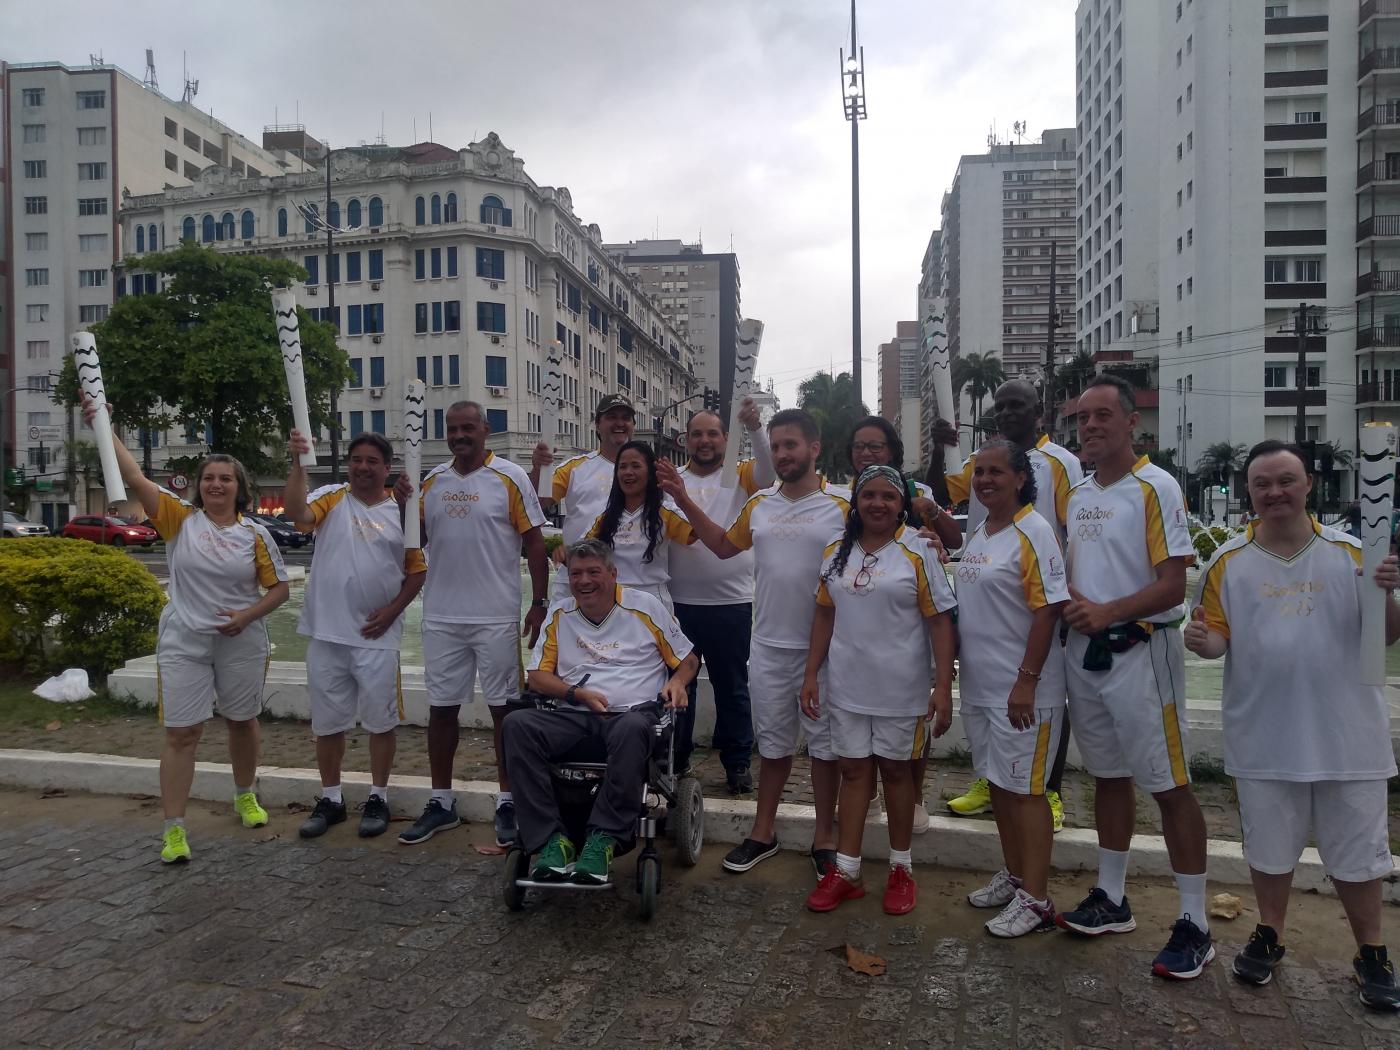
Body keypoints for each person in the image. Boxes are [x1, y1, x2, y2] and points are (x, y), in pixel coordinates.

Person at [1186, 440, 1400, 1009]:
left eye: (1286, 480)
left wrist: (1388, 593)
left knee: (1359, 855)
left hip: (1348, 735)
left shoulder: (1356, 553)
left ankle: (1372, 952)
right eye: (1262, 483)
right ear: (1248, 493)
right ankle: (1270, 933)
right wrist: (1204, 642)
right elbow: (1216, 641)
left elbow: (1385, 638)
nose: (1275, 492)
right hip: (1264, 734)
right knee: (1269, 850)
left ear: (1308, 485)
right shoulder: (1227, 561)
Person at [81, 395, 289, 864]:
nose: (216, 484)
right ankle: (174, 829)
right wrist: (102, 420)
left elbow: (279, 591)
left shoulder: (256, 535)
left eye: (226, 478)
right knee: (181, 733)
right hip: (185, 641)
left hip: (240, 642)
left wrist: (245, 617)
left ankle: (244, 794)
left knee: (242, 721)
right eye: (209, 478)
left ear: (240, 488)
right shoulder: (179, 520)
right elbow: (133, 475)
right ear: (199, 487)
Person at [1053, 374, 1212, 981]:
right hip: (1085, 656)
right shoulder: (1082, 493)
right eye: (1082, 419)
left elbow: (1174, 583)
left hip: (1143, 653)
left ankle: (1194, 922)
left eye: (1101, 416)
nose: (1089, 426)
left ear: (1129, 423)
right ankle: (1111, 897)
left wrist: (1109, 611)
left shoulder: (1156, 486)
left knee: (1170, 786)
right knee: (1108, 777)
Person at [659, 408, 850, 876]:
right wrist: (682, 498)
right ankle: (762, 832)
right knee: (774, 746)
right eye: (778, 446)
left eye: (792, 446)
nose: (783, 454)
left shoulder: (842, 506)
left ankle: (825, 838)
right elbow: (723, 546)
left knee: (824, 750)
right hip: (767, 645)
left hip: (825, 650)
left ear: (814, 449)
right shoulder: (760, 504)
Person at [800, 465, 957, 916]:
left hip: (901, 689)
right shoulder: (835, 550)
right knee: (852, 771)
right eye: (868, 495)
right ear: (856, 501)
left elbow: (939, 621)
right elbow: (824, 615)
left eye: (889, 496)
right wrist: (811, 674)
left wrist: (942, 686)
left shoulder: (917, 550)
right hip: (846, 685)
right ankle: (847, 872)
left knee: (895, 773)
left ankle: (901, 868)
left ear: (902, 503)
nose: (878, 504)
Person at [933, 379, 1083, 832]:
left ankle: (1049, 791)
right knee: (1003, 752)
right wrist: (943, 448)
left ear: (1040, 411)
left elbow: (1073, 532)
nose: (1007, 413)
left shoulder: (1061, 462)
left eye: (1017, 405)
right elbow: (946, 495)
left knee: (1043, 707)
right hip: (991, 595)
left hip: (1039, 597)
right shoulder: (985, 459)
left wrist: (1065, 600)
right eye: (1001, 406)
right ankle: (992, 783)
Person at [505, 539, 699, 884]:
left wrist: (679, 682)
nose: (584, 581)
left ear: (613, 573)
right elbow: (536, 677)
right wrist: (576, 693)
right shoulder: (561, 613)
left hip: (631, 715)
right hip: (574, 714)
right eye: (576, 573)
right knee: (517, 724)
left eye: (594, 572)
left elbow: (688, 660)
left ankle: (603, 839)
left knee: (631, 729)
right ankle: (552, 840)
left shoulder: (645, 607)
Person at [401, 401, 549, 848]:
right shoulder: (432, 480)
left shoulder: (510, 476)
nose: (460, 435)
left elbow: (535, 543)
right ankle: (442, 802)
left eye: (468, 427)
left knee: (505, 713)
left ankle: (508, 801)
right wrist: (401, 504)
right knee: (442, 710)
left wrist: (539, 603)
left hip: (495, 616)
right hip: (443, 614)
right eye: (452, 428)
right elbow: (417, 541)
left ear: (485, 430)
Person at [283, 430, 426, 839]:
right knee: (327, 724)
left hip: (376, 637)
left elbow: (418, 572)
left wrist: (392, 612)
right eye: (356, 460)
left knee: (380, 723)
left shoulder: (402, 511)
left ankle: (378, 795)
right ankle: (331, 798)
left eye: (371, 461)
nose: (362, 467)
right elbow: (298, 512)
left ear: (386, 468)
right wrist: (296, 462)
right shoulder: (332, 497)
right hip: (327, 633)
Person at [954, 440, 1070, 937]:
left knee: (1028, 792)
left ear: (1020, 478)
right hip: (983, 687)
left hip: (1025, 693)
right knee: (1000, 785)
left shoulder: (1034, 531)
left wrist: (1027, 681)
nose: (985, 480)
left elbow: (1048, 609)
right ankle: (1016, 875)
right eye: (980, 471)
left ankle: (1038, 899)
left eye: (996, 472)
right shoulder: (982, 531)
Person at [846, 414, 961, 834]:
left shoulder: (918, 490)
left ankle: (913, 795)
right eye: (859, 446)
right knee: (864, 717)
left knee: (913, 713)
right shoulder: (844, 497)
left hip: (915, 610)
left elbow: (953, 539)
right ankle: (871, 794)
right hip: (866, 614)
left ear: (892, 450)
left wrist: (928, 518)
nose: (867, 453)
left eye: (875, 446)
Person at [668, 399, 773, 793]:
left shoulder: (741, 475)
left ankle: (737, 762)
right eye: (697, 434)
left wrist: (755, 428)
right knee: (681, 687)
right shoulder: (672, 480)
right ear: (686, 440)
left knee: (732, 686)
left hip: (732, 603)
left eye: (713, 434)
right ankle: (676, 761)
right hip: (678, 605)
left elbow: (769, 473)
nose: (705, 441)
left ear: (726, 440)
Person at [532, 394, 636, 601]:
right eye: (612, 417)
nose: (619, 423)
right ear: (597, 425)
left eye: (625, 418)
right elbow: (537, 503)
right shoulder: (575, 468)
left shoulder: (649, 471)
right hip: (579, 579)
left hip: (631, 579)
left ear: (633, 425)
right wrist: (538, 470)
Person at [588, 440, 697, 608]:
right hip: (613, 599)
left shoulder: (665, 512)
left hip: (652, 600)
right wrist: (563, 552)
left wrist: (681, 495)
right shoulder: (606, 517)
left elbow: (697, 533)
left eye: (636, 466)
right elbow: (585, 550)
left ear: (651, 473)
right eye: (622, 467)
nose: (628, 472)